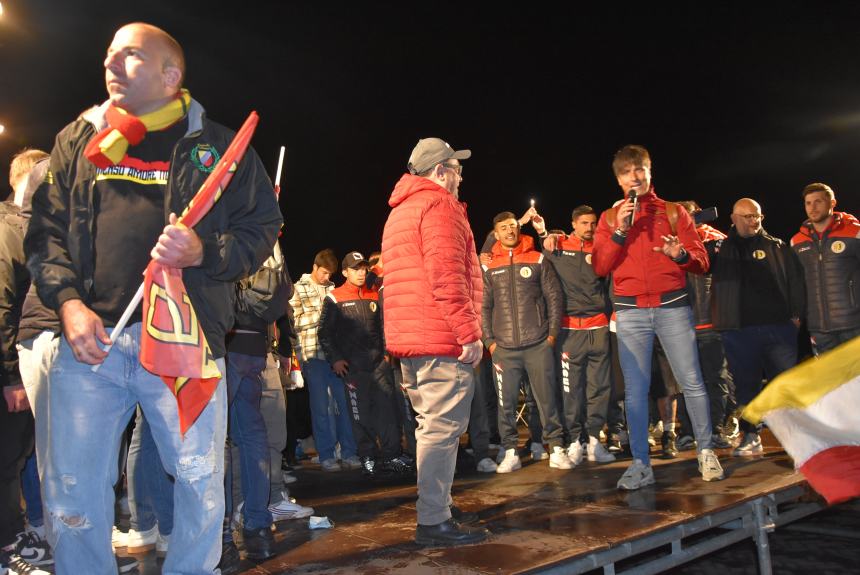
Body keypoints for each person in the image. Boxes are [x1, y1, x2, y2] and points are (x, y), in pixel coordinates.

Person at [24, 22, 282, 575]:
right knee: (72, 490)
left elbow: (263, 225)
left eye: (131, 56)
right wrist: (68, 302)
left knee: (198, 481)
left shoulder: (217, 147)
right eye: (109, 55)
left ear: (171, 75)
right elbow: (44, 231)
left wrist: (203, 251)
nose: (112, 64)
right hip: (90, 344)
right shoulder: (80, 139)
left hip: (184, 342)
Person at [592, 144, 724, 490]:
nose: (634, 177)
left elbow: (702, 262)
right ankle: (640, 463)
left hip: (672, 307)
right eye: (626, 172)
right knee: (635, 392)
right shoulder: (608, 218)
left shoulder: (675, 212)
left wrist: (681, 255)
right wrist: (620, 231)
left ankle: (706, 451)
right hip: (631, 312)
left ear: (650, 172)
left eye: (640, 170)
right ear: (619, 180)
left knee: (691, 382)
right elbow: (600, 266)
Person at [381, 137, 488, 546]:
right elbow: (447, 278)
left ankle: (437, 503)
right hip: (440, 335)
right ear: (441, 172)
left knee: (431, 428)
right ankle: (433, 522)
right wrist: (469, 333)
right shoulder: (440, 206)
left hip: (413, 338)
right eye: (456, 168)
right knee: (442, 430)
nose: (461, 176)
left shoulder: (401, 211)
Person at [710, 198, 805, 456]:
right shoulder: (720, 248)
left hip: (778, 328)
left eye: (757, 216)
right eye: (748, 216)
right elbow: (695, 263)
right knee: (745, 386)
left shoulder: (777, 246)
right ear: (734, 218)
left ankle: (794, 437)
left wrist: (796, 316)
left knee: (784, 383)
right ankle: (751, 435)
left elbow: (796, 282)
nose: (754, 221)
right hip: (738, 331)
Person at [0, 149, 53, 574]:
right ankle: (7, 547)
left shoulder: (36, 226)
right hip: (12, 361)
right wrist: (10, 375)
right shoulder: (7, 227)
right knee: (7, 456)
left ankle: (30, 532)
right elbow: (2, 304)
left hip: (27, 355)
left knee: (24, 453)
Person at [483, 211, 568, 473]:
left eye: (512, 226)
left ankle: (555, 447)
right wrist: (490, 342)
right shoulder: (489, 266)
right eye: (503, 228)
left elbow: (554, 298)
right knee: (505, 404)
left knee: (546, 400)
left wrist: (551, 335)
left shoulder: (538, 258)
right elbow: (483, 307)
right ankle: (510, 451)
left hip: (537, 344)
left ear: (518, 229)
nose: (509, 231)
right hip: (504, 349)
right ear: (495, 234)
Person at [318, 251, 410, 476]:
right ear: (345, 272)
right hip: (352, 367)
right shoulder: (334, 297)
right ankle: (368, 456)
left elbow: (384, 326)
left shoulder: (374, 293)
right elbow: (324, 333)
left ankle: (392, 455)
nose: (360, 273)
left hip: (379, 364)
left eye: (363, 268)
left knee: (387, 412)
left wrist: (388, 352)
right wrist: (336, 359)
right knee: (360, 415)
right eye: (355, 269)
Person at [543, 205, 615, 465]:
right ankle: (575, 441)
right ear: (573, 224)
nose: (589, 228)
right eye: (584, 223)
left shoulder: (602, 247)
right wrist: (548, 235)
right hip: (569, 330)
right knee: (571, 389)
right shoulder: (557, 248)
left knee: (600, 387)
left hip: (598, 327)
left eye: (593, 223)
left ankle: (595, 440)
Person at [290, 249, 361, 471]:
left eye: (329, 274)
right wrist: (324, 312)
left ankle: (349, 452)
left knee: (345, 405)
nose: (326, 277)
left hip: (336, 357)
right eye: (323, 273)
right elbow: (294, 321)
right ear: (314, 267)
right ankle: (326, 455)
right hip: (313, 355)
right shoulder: (298, 288)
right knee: (321, 408)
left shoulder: (333, 289)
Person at [790, 183, 860, 353]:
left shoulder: (854, 233)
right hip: (819, 329)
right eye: (808, 203)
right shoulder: (796, 242)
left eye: (818, 201)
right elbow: (795, 284)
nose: (812, 207)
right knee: (830, 380)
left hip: (854, 325)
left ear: (832, 203)